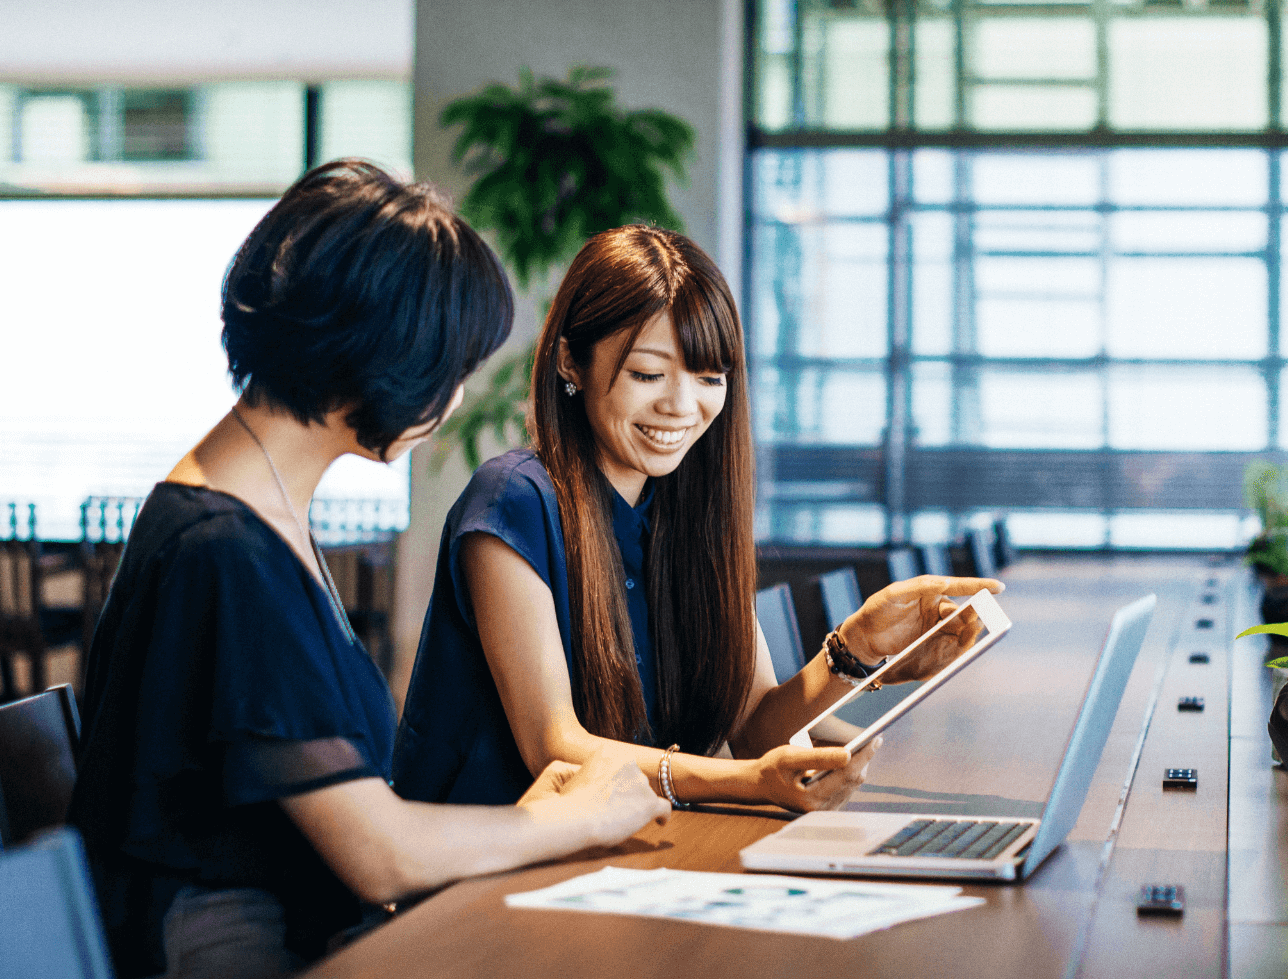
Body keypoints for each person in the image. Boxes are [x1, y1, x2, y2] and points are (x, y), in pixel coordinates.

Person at [68, 161, 669, 979]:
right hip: (246, 971)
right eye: (451, 368)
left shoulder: (249, 511)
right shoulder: (224, 550)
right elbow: (379, 854)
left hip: (298, 944)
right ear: (388, 355)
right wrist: (581, 816)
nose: (454, 399)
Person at [398, 224, 999, 812]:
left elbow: (756, 728)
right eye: (648, 375)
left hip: (614, 856)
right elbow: (556, 750)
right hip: (478, 877)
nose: (682, 406)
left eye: (709, 377)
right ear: (569, 364)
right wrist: (749, 783)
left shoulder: (688, 511)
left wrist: (855, 650)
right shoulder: (514, 501)